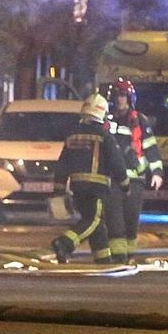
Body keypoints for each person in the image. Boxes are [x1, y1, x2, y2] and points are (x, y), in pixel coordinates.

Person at [51, 94, 117, 265]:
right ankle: (65, 243)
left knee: (97, 224)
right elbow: (116, 161)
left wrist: (58, 187)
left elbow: (63, 163)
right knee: (93, 220)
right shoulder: (104, 136)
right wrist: (124, 184)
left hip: (77, 188)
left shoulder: (73, 136)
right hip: (97, 188)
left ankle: (103, 259)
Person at [102, 78, 163, 261]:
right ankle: (119, 258)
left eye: (123, 96)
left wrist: (158, 172)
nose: (120, 99)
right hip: (112, 180)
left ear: (129, 98)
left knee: (131, 220)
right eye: (117, 96)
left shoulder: (139, 121)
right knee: (114, 221)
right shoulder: (106, 121)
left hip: (135, 179)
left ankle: (129, 255)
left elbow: (151, 147)